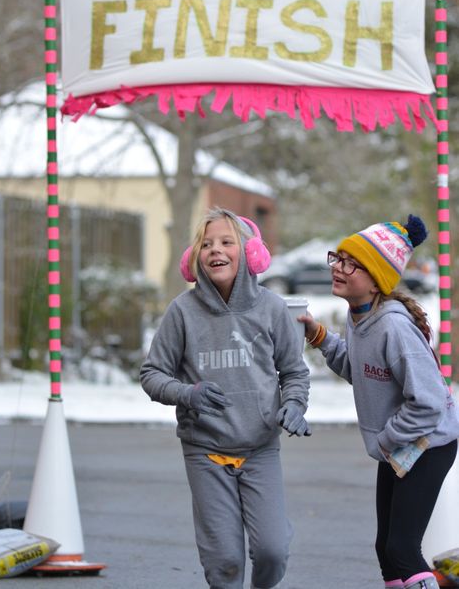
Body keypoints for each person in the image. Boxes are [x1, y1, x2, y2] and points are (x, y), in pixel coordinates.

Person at [140, 207, 311, 589]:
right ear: (194, 257)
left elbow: (294, 371)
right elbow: (151, 374)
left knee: (272, 551)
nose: (215, 250)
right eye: (206, 243)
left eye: (226, 242)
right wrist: (187, 393)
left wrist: (295, 404)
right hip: (205, 450)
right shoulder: (182, 312)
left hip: (260, 449)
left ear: (250, 254)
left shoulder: (272, 308)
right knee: (225, 562)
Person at [300, 215, 459, 589]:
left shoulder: (393, 326)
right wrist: (321, 336)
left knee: (403, 548)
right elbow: (361, 369)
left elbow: (430, 402)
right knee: (385, 549)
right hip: (401, 445)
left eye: (351, 263)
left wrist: (387, 439)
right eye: (337, 258)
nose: (338, 268)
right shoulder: (359, 316)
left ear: (376, 281)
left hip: (429, 444)